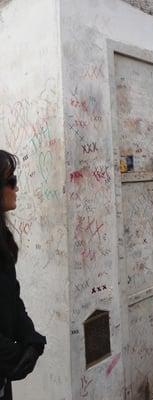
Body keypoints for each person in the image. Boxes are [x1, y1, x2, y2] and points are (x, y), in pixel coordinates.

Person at [0, 150, 46, 400]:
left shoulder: (3, 239)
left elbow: (12, 299)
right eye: (11, 181)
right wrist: (14, 356)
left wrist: (31, 339)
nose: (16, 188)